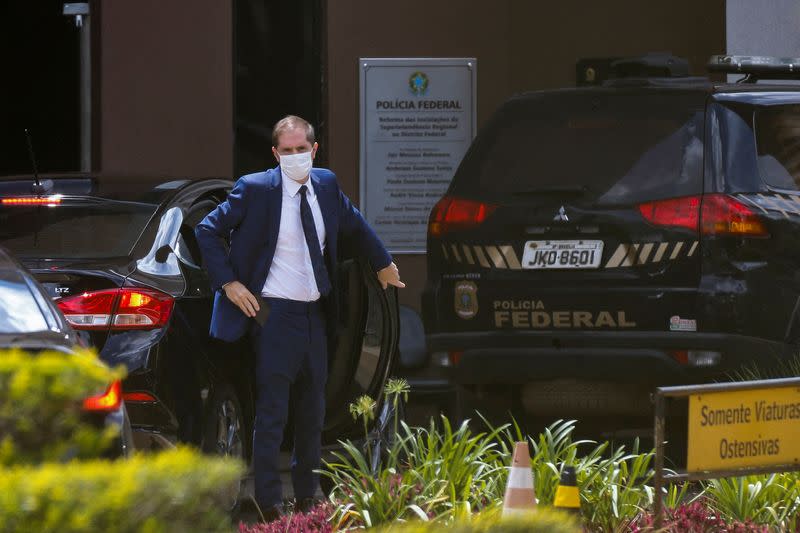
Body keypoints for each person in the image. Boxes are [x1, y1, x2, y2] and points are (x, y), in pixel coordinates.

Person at [195, 115, 404, 520]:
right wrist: (229, 284)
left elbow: (354, 224)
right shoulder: (255, 190)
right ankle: (269, 501)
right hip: (274, 315)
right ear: (275, 154)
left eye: (301, 149)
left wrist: (383, 263)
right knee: (274, 410)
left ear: (314, 149)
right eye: (286, 151)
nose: (295, 157)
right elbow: (208, 229)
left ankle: (309, 495)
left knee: (314, 410)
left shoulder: (325, 184)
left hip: (315, 315)